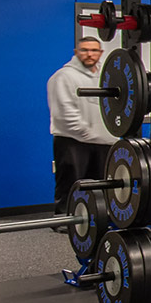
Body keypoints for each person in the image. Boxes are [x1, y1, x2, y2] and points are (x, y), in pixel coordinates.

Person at [46, 37, 119, 212]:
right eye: (85, 50)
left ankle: (93, 220)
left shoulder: (105, 77)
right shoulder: (63, 76)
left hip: (102, 141)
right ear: (76, 52)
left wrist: (107, 136)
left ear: (100, 53)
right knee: (71, 184)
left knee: (100, 186)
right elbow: (65, 114)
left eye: (94, 50)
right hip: (72, 141)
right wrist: (90, 133)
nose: (89, 54)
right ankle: (65, 219)